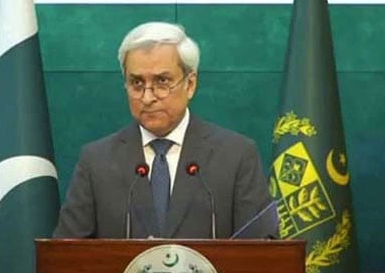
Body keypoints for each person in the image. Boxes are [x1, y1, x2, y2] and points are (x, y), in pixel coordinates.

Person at [53, 22, 275, 239]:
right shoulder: (96, 161)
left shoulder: (236, 156)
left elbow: (264, 251)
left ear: (190, 84)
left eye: (162, 81)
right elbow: (66, 253)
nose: (148, 97)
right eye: (137, 83)